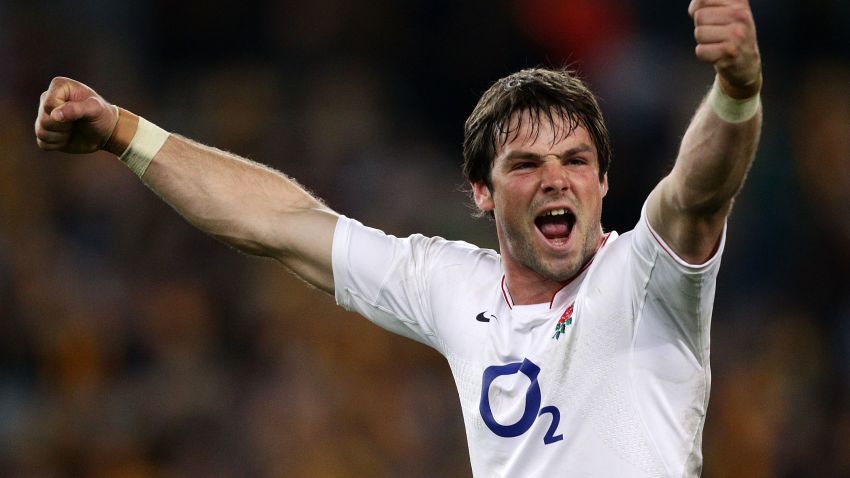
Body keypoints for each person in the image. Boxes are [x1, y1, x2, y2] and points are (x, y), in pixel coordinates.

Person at [34, 0, 762, 476]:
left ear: (603, 184)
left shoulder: (646, 279)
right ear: (481, 192)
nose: (556, 180)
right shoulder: (453, 285)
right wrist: (122, 133)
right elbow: (279, 224)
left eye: (577, 161)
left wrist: (735, 91)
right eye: (526, 165)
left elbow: (699, 192)